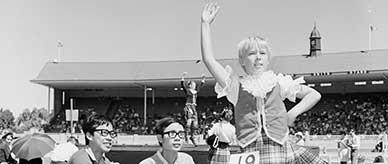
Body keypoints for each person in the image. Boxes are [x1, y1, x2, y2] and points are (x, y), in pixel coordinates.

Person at [200, 3, 326, 163]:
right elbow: (209, 60)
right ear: (242, 60)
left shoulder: (278, 82)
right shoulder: (235, 87)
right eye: (252, 53)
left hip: (281, 149)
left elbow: (313, 94)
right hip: (251, 153)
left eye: (263, 53)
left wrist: (292, 113)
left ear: (268, 58)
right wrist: (205, 24)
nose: (258, 57)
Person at [180, 72, 206, 146]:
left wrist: (203, 79)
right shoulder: (188, 91)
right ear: (190, 85)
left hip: (194, 107)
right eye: (193, 84)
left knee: (195, 124)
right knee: (189, 122)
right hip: (189, 107)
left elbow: (200, 86)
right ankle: (186, 137)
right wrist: (183, 77)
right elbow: (182, 85)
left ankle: (192, 137)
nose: (195, 85)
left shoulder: (196, 91)